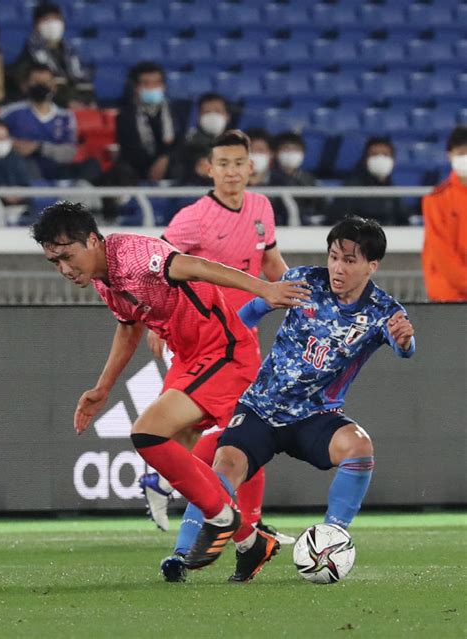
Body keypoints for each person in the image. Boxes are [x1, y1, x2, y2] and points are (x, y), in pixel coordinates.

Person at [31, 201, 308, 575]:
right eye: (55, 262)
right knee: (178, 456)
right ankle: (249, 539)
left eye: (67, 256)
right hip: (189, 358)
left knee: (150, 433)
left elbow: (197, 266)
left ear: (93, 240)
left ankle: (224, 519)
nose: (64, 269)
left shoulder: (133, 255)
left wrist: (265, 290)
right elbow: (129, 327)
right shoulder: (102, 278)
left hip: (224, 350)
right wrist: (103, 388)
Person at [185, 216, 415, 583]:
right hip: (261, 407)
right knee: (225, 465)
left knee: (359, 447)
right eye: (334, 256)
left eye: (350, 260)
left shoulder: (383, 312)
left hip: (315, 417)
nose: (338, 267)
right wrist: (224, 344)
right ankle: (184, 554)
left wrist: (404, 342)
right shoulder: (304, 281)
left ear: (372, 265)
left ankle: (333, 536)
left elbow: (405, 348)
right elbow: (250, 313)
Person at [140, 130, 295, 581]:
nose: (231, 172)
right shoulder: (194, 218)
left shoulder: (263, 209)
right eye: (222, 164)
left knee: (241, 432)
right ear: (209, 169)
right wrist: (155, 321)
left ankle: (210, 514)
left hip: (240, 335)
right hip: (201, 339)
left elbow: (270, 262)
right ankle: (196, 506)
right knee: (225, 432)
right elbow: (158, 265)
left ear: (252, 167)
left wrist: (298, 294)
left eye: (238, 163)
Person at [0, 63, 100, 183]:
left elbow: (70, 152)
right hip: (25, 167)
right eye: (36, 82)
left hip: (58, 168)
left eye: (46, 83)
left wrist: (39, 147)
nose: (41, 86)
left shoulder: (65, 117)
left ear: (53, 86)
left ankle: (74, 193)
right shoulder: (10, 113)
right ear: (25, 86)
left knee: (92, 164)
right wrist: (14, 145)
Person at [8, 2, 94, 107]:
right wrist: (66, 103)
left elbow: (82, 81)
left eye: (57, 19)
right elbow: (28, 87)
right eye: (47, 20)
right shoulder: (29, 54)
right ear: (36, 24)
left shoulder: (71, 53)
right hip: (49, 107)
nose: (53, 24)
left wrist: (88, 101)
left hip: (78, 106)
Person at [422, 125, 467, 302]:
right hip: (448, 297)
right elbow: (443, 256)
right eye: (461, 153)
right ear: (450, 155)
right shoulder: (436, 200)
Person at [116, 61, 181, 182]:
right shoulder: (125, 116)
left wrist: (165, 159)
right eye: (146, 84)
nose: (152, 88)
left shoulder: (176, 112)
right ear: (136, 88)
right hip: (137, 169)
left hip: (170, 166)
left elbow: (180, 144)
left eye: (157, 83)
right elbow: (129, 151)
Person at [330, 136, 409, 226]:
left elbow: (404, 221)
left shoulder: (394, 192)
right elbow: (339, 219)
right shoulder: (351, 188)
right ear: (365, 159)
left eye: (385, 154)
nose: (380, 159)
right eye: (374, 155)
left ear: (393, 160)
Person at [169, 92, 231, 184]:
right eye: (207, 112)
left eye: (217, 111)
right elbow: (175, 173)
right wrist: (195, 170)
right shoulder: (187, 144)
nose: (212, 117)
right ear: (198, 117)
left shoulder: (239, 143)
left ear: (227, 116)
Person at [269, 131, 325, 226]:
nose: (291, 154)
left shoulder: (310, 180)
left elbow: (322, 207)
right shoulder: (269, 179)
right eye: (286, 149)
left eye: (296, 150)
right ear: (275, 153)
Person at [0, 117, 32, 224]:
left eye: (4, 138)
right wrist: (3, 195)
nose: (1, 142)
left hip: (19, 209)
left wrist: (19, 194)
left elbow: (26, 183)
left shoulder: (16, 159)